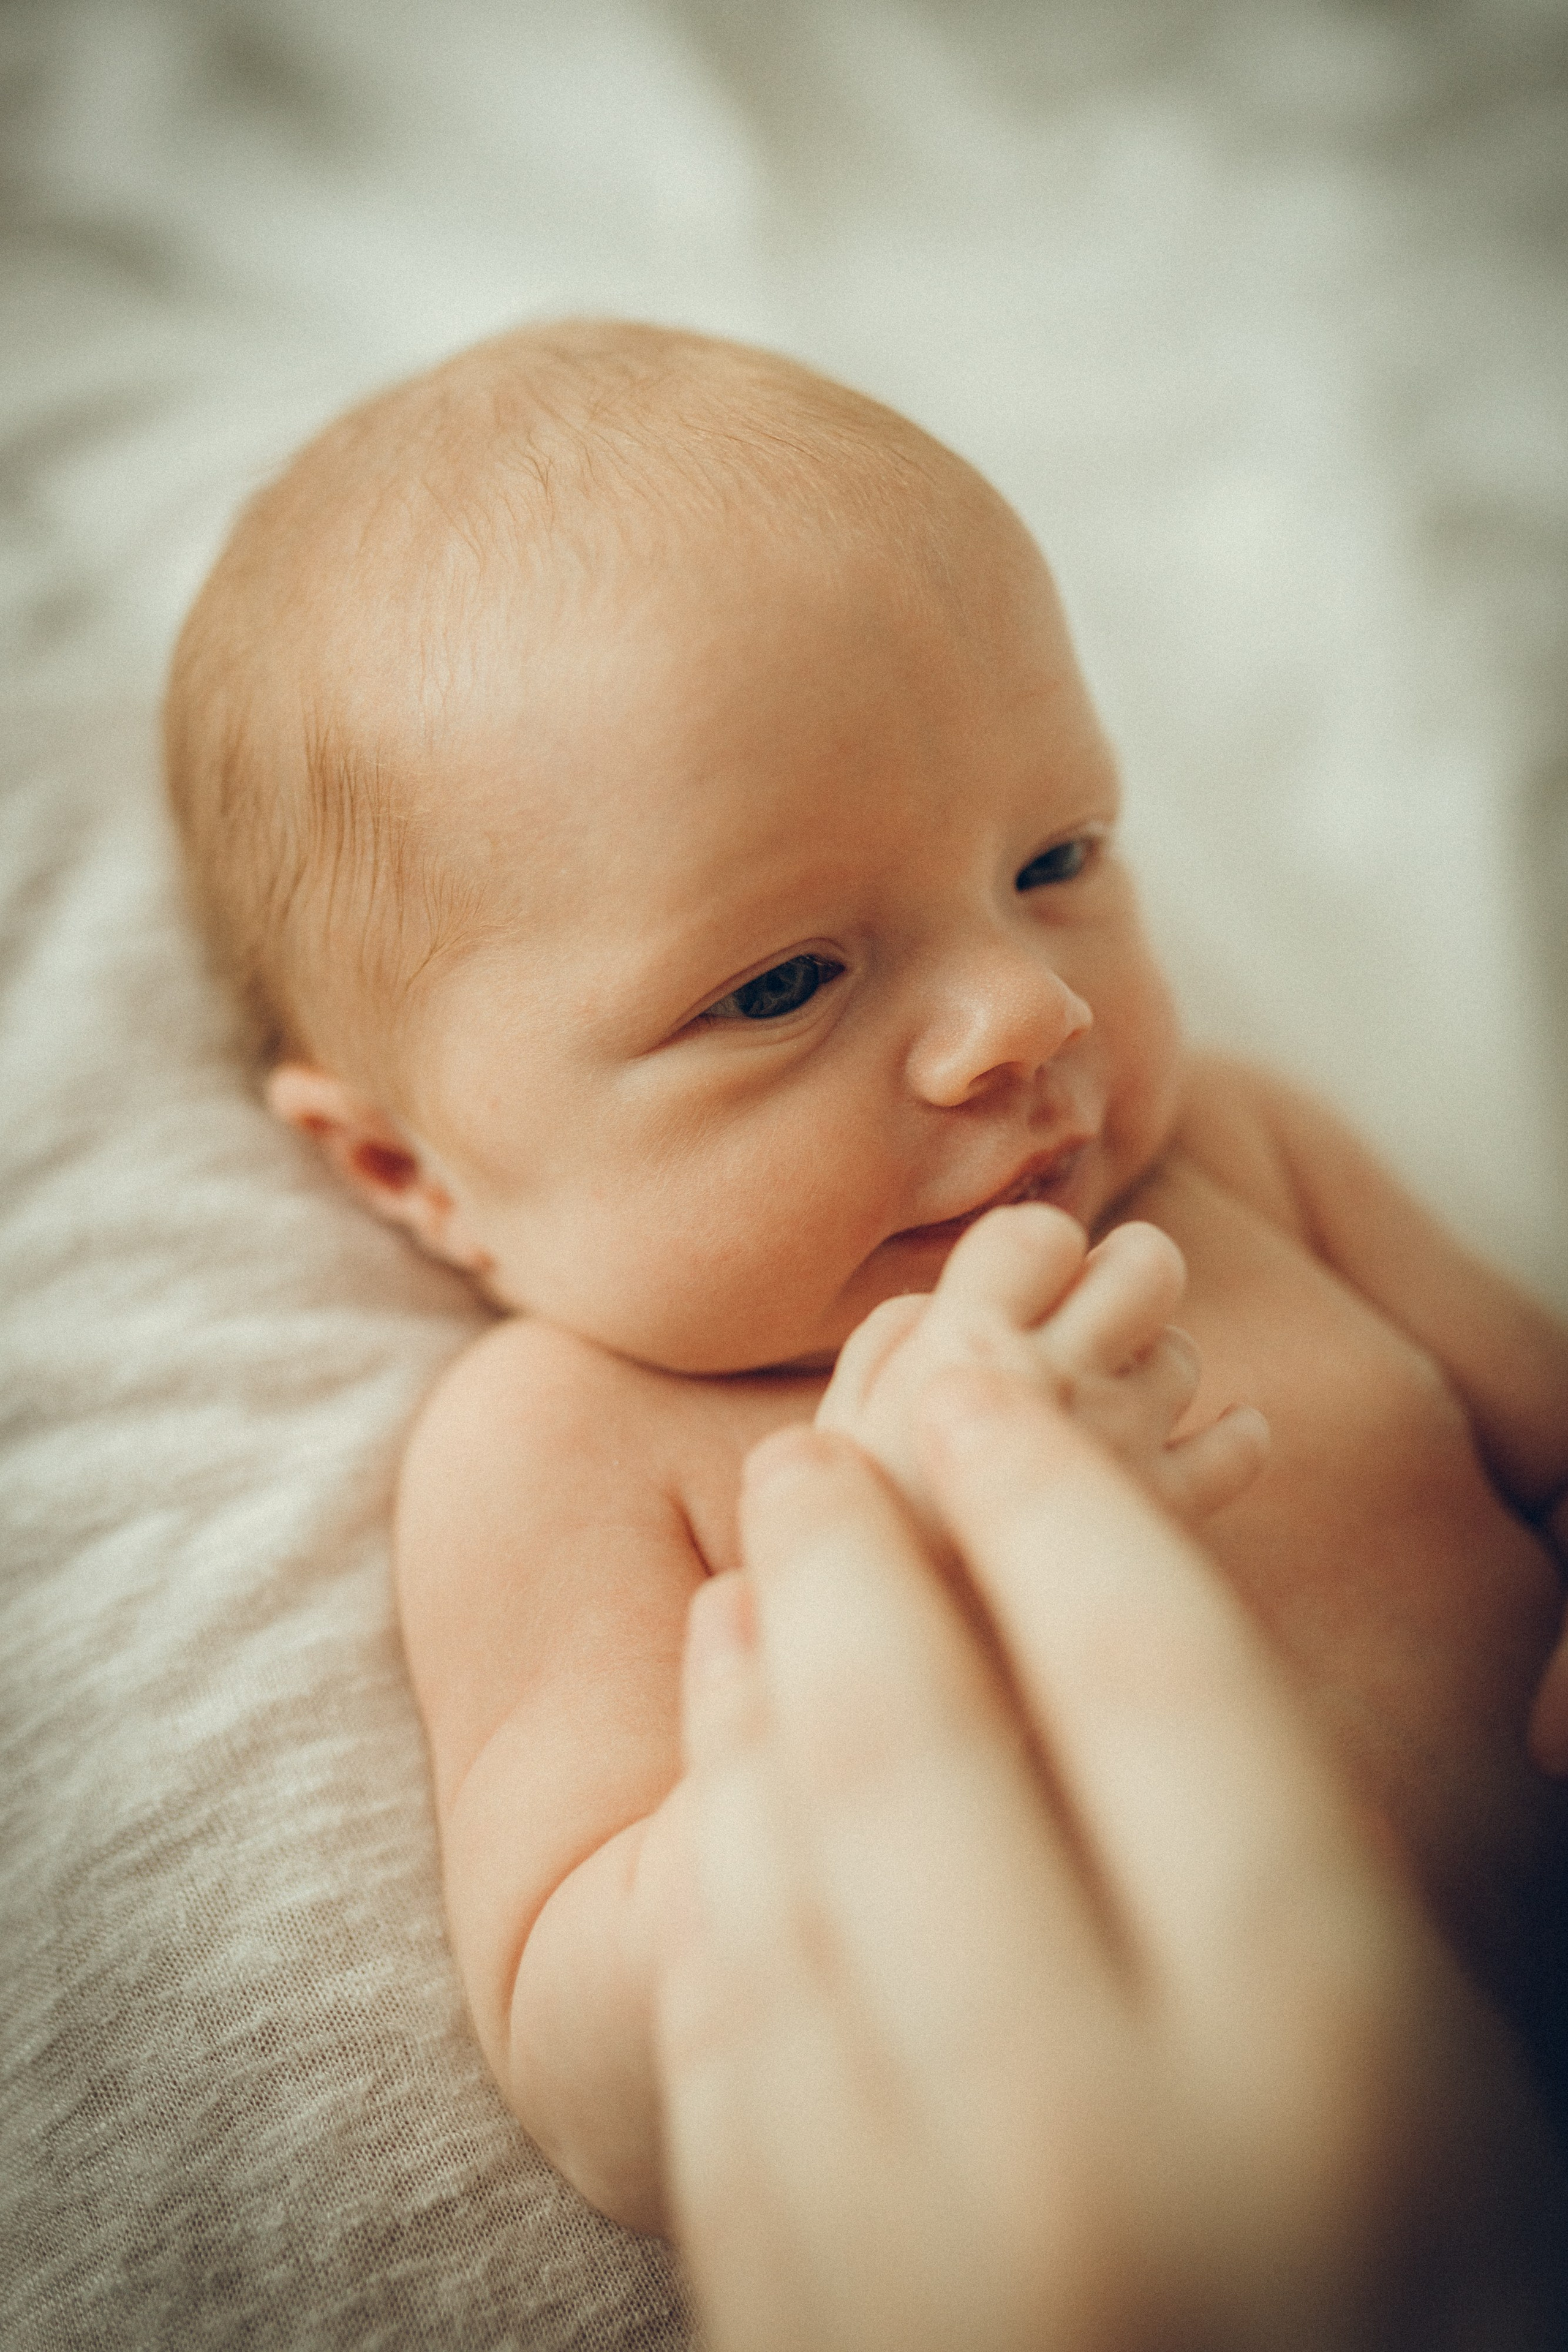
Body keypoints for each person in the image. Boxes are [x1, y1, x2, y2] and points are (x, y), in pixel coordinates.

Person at [162, 318, 1568, 2235]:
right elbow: (604, 2075)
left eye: (1056, 856)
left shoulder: (1235, 1155)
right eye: (780, 983)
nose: (1025, 1005)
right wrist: (881, 1611)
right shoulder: (567, 1451)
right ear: (412, 1170)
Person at [657, 1361, 1568, 2350]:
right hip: (1165, 2160)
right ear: (457, 1212)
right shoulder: (544, 1419)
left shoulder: (1235, 1200)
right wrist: (866, 1603)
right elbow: (569, 1978)